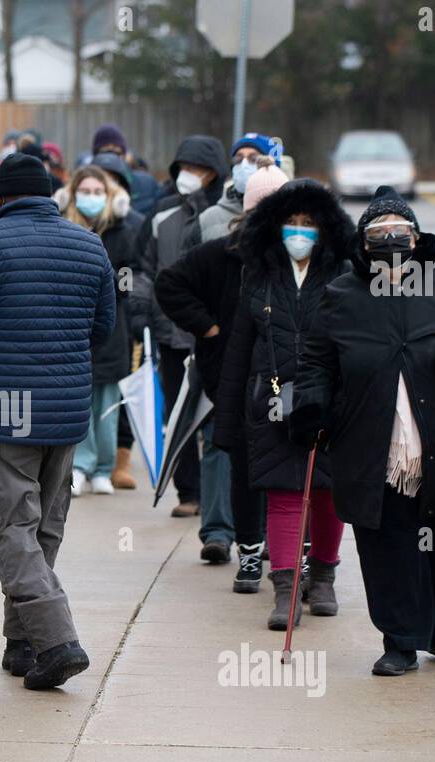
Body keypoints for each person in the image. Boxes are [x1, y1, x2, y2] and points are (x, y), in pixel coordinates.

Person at [0, 153, 115, 690]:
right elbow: (102, 328)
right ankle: (23, 642)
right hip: (68, 409)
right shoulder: (89, 244)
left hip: (4, 407)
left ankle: (56, 641)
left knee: (7, 525)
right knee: (42, 527)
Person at [292, 187, 435, 676]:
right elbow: (315, 361)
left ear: (417, 239)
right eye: (380, 233)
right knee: (387, 545)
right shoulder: (340, 295)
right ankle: (399, 640)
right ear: (364, 242)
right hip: (371, 443)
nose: (392, 239)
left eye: (401, 231)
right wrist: (310, 407)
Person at [214, 179, 354, 631]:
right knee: (284, 495)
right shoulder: (259, 276)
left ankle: (325, 577)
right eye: (291, 223)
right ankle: (286, 589)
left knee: (328, 492)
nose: (299, 232)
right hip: (270, 401)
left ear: (325, 228)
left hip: (330, 399)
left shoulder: (343, 275)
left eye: (308, 224)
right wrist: (228, 416)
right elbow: (239, 347)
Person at [155, 161, 287, 572]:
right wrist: (208, 327)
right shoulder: (221, 254)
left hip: (282, 378)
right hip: (227, 374)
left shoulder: (296, 259)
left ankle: (268, 539)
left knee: (278, 458)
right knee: (223, 449)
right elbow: (168, 284)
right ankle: (221, 533)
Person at [134, 134, 229, 518]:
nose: (190, 175)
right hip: (171, 335)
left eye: (199, 169)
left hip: (217, 336)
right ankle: (188, 492)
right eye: (184, 168)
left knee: (218, 417)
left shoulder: (225, 216)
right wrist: (141, 311)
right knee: (177, 414)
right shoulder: (160, 216)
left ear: (214, 174)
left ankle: (220, 498)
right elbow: (144, 270)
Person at [56, 165, 137, 496]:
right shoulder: (62, 229)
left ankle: (104, 466)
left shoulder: (123, 232)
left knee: (107, 404)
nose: (91, 197)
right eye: (84, 191)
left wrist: (103, 289)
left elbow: (128, 281)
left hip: (112, 327)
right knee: (79, 402)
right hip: (73, 327)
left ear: (108, 196)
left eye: (97, 191)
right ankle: (81, 464)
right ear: (73, 195)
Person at [91, 123, 160, 217]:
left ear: (124, 154)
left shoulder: (147, 184)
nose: (111, 158)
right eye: (106, 151)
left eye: (116, 152)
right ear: (96, 155)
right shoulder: (88, 186)